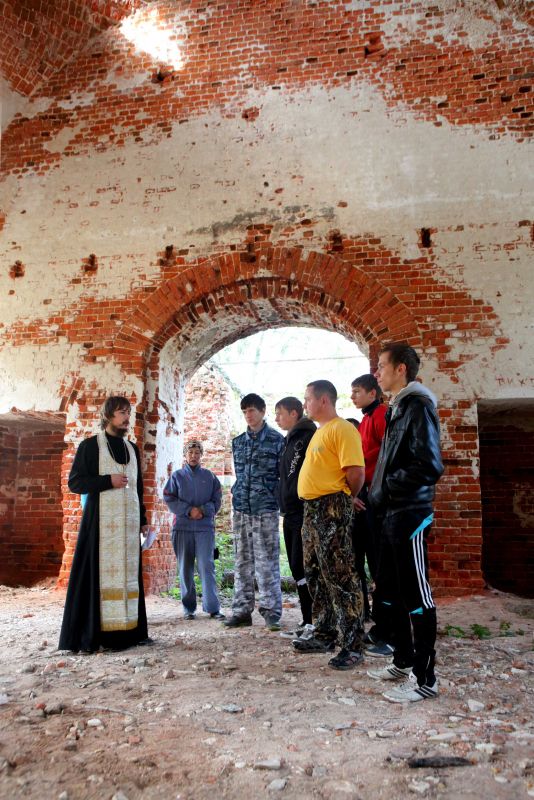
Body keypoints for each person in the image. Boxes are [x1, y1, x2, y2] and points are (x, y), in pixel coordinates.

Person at [367, 343, 444, 702]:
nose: (377, 373)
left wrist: (388, 487)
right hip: (391, 513)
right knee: (391, 591)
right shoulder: (397, 408)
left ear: (401, 369)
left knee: (416, 595)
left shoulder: (418, 406)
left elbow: (429, 465)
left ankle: (425, 679)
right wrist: (379, 495)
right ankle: (402, 660)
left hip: (410, 512)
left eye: (382, 366)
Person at [59, 396, 150, 653]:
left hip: (128, 529)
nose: (127, 417)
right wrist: (107, 481)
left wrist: (143, 521)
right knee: (96, 577)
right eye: (122, 413)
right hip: (99, 527)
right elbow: (75, 483)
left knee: (129, 578)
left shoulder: (132, 449)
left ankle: (130, 633)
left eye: (128, 413)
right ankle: (96, 635)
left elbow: (138, 489)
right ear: (108, 415)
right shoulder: (90, 446)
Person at [295, 380, 366, 670]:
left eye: (308, 398)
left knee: (340, 574)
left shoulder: (342, 428)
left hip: (331, 507)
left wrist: (346, 498)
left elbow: (356, 472)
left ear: (323, 400)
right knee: (315, 572)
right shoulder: (319, 431)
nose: (305, 404)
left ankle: (353, 645)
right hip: (311, 509)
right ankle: (325, 634)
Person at [224, 393, 285, 631]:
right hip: (241, 508)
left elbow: (282, 476)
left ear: (262, 411)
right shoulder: (238, 442)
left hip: (265, 508)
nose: (248, 415)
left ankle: (271, 612)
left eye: (252, 410)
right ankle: (241, 611)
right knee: (242, 561)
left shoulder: (277, 440)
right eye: (245, 411)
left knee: (267, 561)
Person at [350, 373, 392, 656]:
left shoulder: (381, 415)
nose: (352, 396)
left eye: (357, 391)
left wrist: (376, 492)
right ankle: (379, 626)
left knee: (382, 567)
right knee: (370, 564)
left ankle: (390, 631)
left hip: (379, 497)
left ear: (372, 393)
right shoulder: (365, 420)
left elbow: (388, 457)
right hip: (366, 497)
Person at [163, 440, 224, 621]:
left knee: (206, 565)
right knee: (185, 568)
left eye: (197, 453)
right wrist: (189, 510)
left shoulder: (210, 477)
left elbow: (217, 500)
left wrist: (203, 510)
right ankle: (188, 608)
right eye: (190, 453)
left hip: (205, 528)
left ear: (201, 455)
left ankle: (213, 608)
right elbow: (168, 497)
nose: (193, 456)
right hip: (182, 528)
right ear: (185, 455)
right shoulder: (177, 476)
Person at [275, 396, 316, 638]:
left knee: (305, 567)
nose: (276, 419)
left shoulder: (308, 437)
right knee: (295, 567)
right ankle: (306, 620)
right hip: (289, 512)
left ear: (293, 413)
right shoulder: (289, 439)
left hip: (303, 512)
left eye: (280, 413)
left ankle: (314, 622)